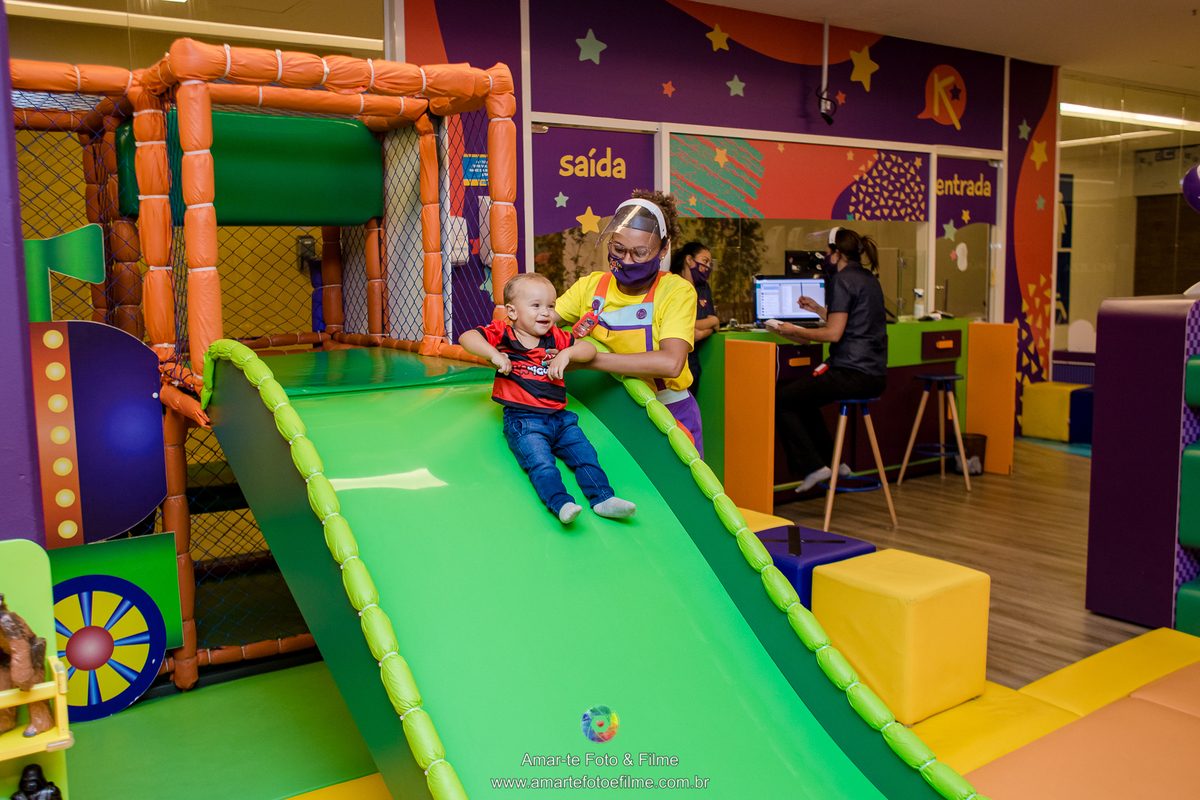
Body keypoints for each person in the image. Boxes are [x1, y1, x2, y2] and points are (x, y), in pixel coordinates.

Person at [460, 272, 637, 524]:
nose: (546, 312)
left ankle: (603, 499)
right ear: (512, 311)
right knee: (542, 463)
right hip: (524, 420)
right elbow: (467, 337)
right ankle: (560, 502)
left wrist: (567, 355)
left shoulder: (556, 336)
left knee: (586, 455)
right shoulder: (504, 334)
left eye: (550, 306)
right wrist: (495, 354)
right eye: (536, 306)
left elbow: (589, 348)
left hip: (561, 419)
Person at [554, 191, 705, 457]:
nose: (626, 260)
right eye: (618, 249)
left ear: (664, 249)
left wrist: (587, 360)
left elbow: (670, 363)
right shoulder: (589, 287)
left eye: (640, 253)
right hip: (609, 413)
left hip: (669, 413)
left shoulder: (676, 292)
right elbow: (540, 323)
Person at [768, 227, 888, 493]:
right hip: (875, 375)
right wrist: (818, 309)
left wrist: (793, 330)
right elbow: (850, 320)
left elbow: (834, 333)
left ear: (836, 254)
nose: (824, 256)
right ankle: (837, 463)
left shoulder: (842, 281)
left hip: (850, 373)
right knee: (803, 397)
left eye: (827, 251)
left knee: (781, 400)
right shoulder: (869, 279)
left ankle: (813, 466)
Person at [671, 241, 719, 396]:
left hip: (693, 361)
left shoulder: (704, 288)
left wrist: (701, 331)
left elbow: (714, 324)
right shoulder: (673, 285)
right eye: (704, 261)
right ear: (689, 260)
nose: (707, 267)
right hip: (674, 357)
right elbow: (688, 328)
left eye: (709, 263)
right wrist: (710, 324)